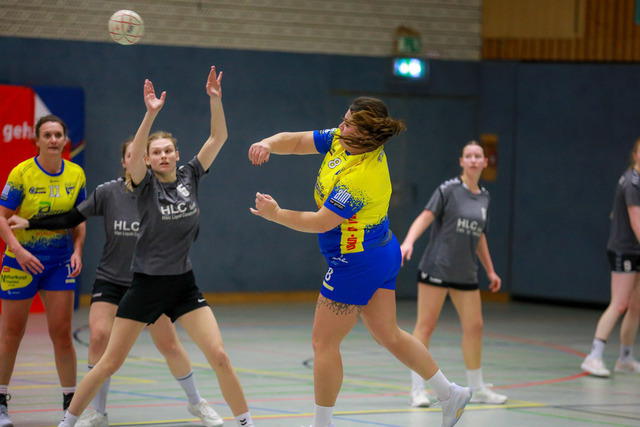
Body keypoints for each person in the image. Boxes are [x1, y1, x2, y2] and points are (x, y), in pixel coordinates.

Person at [248, 96, 472, 427]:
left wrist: (276, 214)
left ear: (366, 134)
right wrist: (268, 143)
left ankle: (321, 425)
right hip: (380, 253)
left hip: (356, 263)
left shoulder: (362, 177)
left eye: (349, 123)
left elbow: (321, 222)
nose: (341, 126)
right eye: (343, 120)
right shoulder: (342, 139)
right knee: (388, 334)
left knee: (324, 343)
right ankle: (449, 393)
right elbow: (296, 141)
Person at [58, 66, 255, 427]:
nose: (163, 155)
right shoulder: (144, 186)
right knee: (108, 363)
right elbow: (133, 155)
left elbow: (219, 137)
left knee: (220, 356)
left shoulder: (191, 175)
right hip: (146, 285)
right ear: (147, 160)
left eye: (168, 150)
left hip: (183, 284)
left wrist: (215, 100)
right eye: (156, 152)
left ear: (177, 154)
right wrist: (150, 114)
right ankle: (68, 423)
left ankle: (246, 423)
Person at [10, 139, 224, 426]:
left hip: (149, 282)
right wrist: (30, 223)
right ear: (126, 161)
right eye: (131, 155)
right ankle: (98, 411)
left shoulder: (161, 192)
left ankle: (196, 402)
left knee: (169, 345)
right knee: (99, 337)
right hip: (112, 279)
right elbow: (72, 217)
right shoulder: (108, 193)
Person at [399, 140, 508, 407]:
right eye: (468, 156)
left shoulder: (485, 196)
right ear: (461, 161)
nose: (473, 160)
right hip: (437, 267)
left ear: (485, 162)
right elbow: (425, 216)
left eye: (478, 156)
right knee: (426, 326)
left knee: (475, 327)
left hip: (465, 272)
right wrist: (408, 242)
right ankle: (417, 390)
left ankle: (477, 388)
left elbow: (479, 236)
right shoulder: (448, 190)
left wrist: (490, 270)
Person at [0, 115, 87, 427]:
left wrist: (77, 251)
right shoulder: (22, 173)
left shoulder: (75, 174)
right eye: (47, 135)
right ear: (36, 140)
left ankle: (70, 405)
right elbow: (2, 217)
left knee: (62, 333)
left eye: (58, 135)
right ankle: (0, 402)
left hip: (59, 262)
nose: (53, 140)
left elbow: (78, 219)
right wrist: (19, 251)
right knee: (12, 333)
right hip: (20, 261)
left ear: (65, 140)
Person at [580, 139, 640, 377]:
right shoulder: (632, 182)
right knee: (620, 303)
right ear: (635, 154)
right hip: (624, 249)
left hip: (636, 250)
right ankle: (593, 357)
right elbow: (636, 222)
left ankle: (625, 358)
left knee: (636, 306)